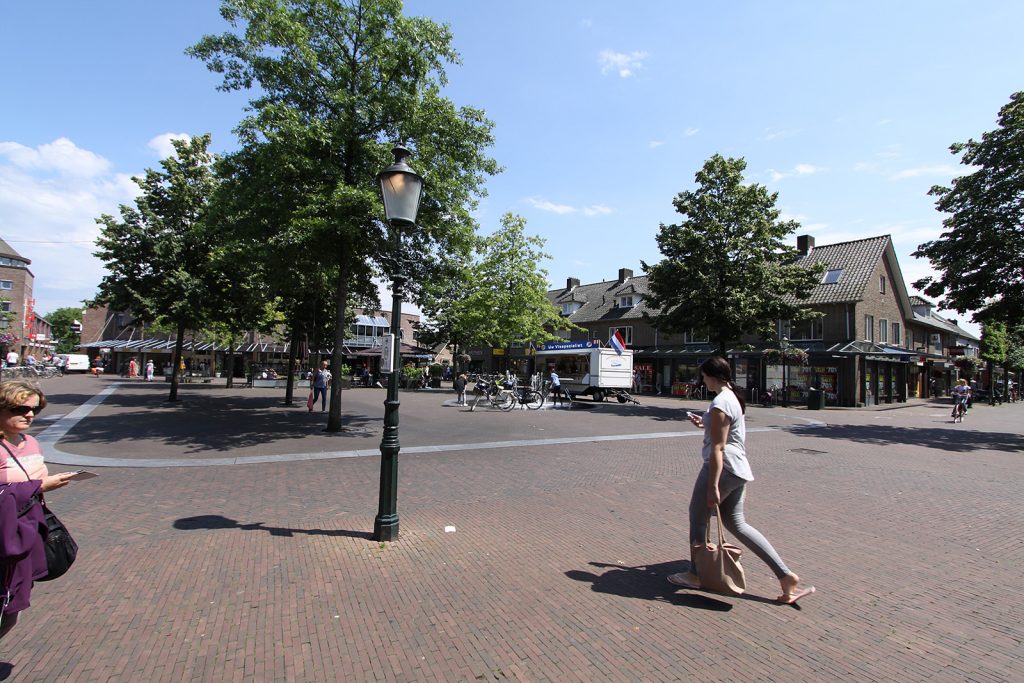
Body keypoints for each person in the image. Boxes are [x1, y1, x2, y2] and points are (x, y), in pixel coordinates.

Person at [667, 356, 814, 604]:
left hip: (723, 468)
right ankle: (785, 575)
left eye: (703, 376)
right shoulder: (732, 397)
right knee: (737, 524)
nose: (702, 380)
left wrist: (713, 486)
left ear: (713, 376)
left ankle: (695, 574)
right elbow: (727, 431)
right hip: (738, 469)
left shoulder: (720, 402)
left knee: (697, 516)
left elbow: (718, 448)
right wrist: (704, 422)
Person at [0, 379, 79, 637]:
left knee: (11, 612)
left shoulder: (31, 442)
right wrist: (39, 487)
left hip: (24, 530)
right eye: (20, 409)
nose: (29, 414)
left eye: (35, 409)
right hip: (3, 537)